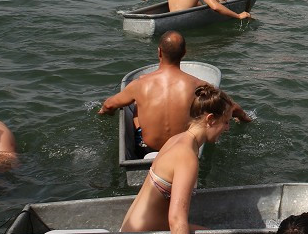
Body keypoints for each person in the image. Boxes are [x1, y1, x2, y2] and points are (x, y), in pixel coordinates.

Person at [120, 84, 234, 234]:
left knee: (211, 233)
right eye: (225, 122)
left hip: (130, 229)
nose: (227, 128)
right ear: (210, 119)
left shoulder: (177, 139)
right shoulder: (188, 157)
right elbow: (176, 218)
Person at [98, 30, 251, 154]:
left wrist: (104, 114)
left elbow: (109, 105)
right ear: (184, 53)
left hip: (147, 148)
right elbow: (231, 107)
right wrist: (244, 118)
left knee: (138, 105)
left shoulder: (140, 84)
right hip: (183, 148)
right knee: (199, 108)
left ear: (159, 52)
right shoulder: (198, 85)